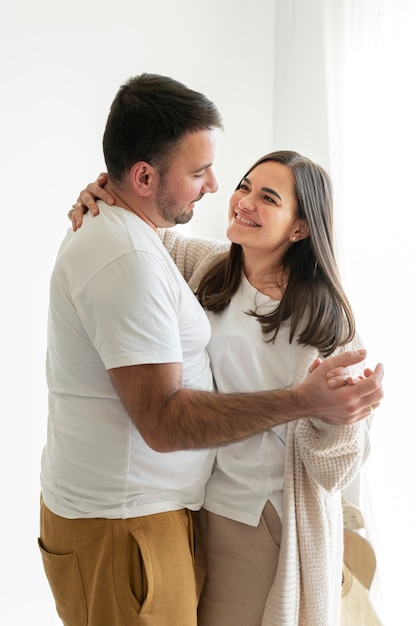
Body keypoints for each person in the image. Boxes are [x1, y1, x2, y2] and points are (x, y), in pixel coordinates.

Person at [41, 72, 383, 626]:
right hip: (199, 512)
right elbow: (145, 226)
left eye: (266, 197)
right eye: (244, 185)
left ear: (300, 229)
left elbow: (336, 463)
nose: (238, 198)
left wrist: (336, 414)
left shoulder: (325, 324)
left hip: (262, 521)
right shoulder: (207, 268)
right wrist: (99, 190)